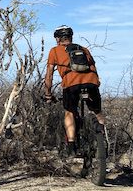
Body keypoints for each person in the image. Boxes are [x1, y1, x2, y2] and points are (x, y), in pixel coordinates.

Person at [44, 25, 105, 155]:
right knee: (97, 112)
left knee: (69, 112)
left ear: (57, 39)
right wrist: (95, 84)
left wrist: (48, 94)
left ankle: (71, 145)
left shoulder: (54, 51)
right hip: (91, 82)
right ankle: (102, 142)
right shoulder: (84, 49)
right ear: (71, 37)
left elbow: (49, 75)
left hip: (71, 84)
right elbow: (94, 68)